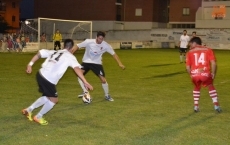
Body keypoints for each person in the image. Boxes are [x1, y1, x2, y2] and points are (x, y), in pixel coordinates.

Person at [22, 39, 93, 125]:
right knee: (54, 100)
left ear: (63, 46)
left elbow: (39, 54)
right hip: (48, 79)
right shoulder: (70, 56)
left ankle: (28, 110)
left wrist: (30, 64)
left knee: (48, 96)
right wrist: (85, 81)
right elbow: (77, 69)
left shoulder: (55, 51)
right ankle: (38, 116)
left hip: (40, 74)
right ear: (71, 49)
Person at [71, 31, 125, 101]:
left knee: (103, 80)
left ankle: (107, 95)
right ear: (96, 37)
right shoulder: (88, 42)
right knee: (79, 75)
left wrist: (120, 63)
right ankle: (85, 91)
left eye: (102, 39)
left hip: (97, 63)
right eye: (99, 38)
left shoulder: (106, 45)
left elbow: (114, 54)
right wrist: (71, 54)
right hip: (86, 62)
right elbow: (77, 46)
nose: (100, 40)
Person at [186, 37, 221, 113]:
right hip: (205, 73)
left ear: (195, 43)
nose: (190, 46)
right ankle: (216, 105)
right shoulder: (208, 50)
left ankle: (196, 106)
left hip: (195, 74)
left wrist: (191, 75)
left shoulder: (190, 52)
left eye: (191, 44)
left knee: (196, 87)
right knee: (210, 85)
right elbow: (213, 63)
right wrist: (213, 73)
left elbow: (188, 67)